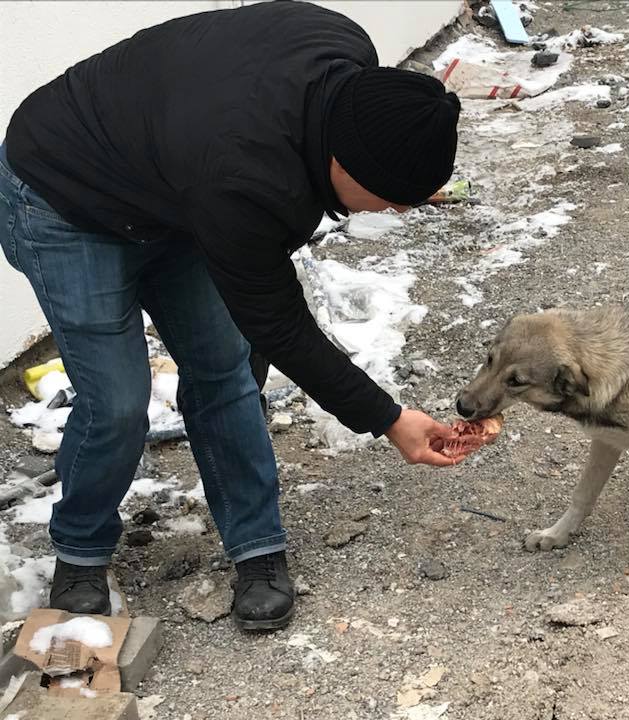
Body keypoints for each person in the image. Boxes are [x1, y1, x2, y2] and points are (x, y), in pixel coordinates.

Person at [0, 0, 464, 631]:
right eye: (394, 199)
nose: (401, 211)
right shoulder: (244, 179)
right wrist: (388, 420)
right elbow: (278, 323)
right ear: (344, 162)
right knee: (116, 398)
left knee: (222, 371)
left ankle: (256, 547)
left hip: (174, 180)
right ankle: (80, 550)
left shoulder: (342, 52)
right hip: (62, 192)